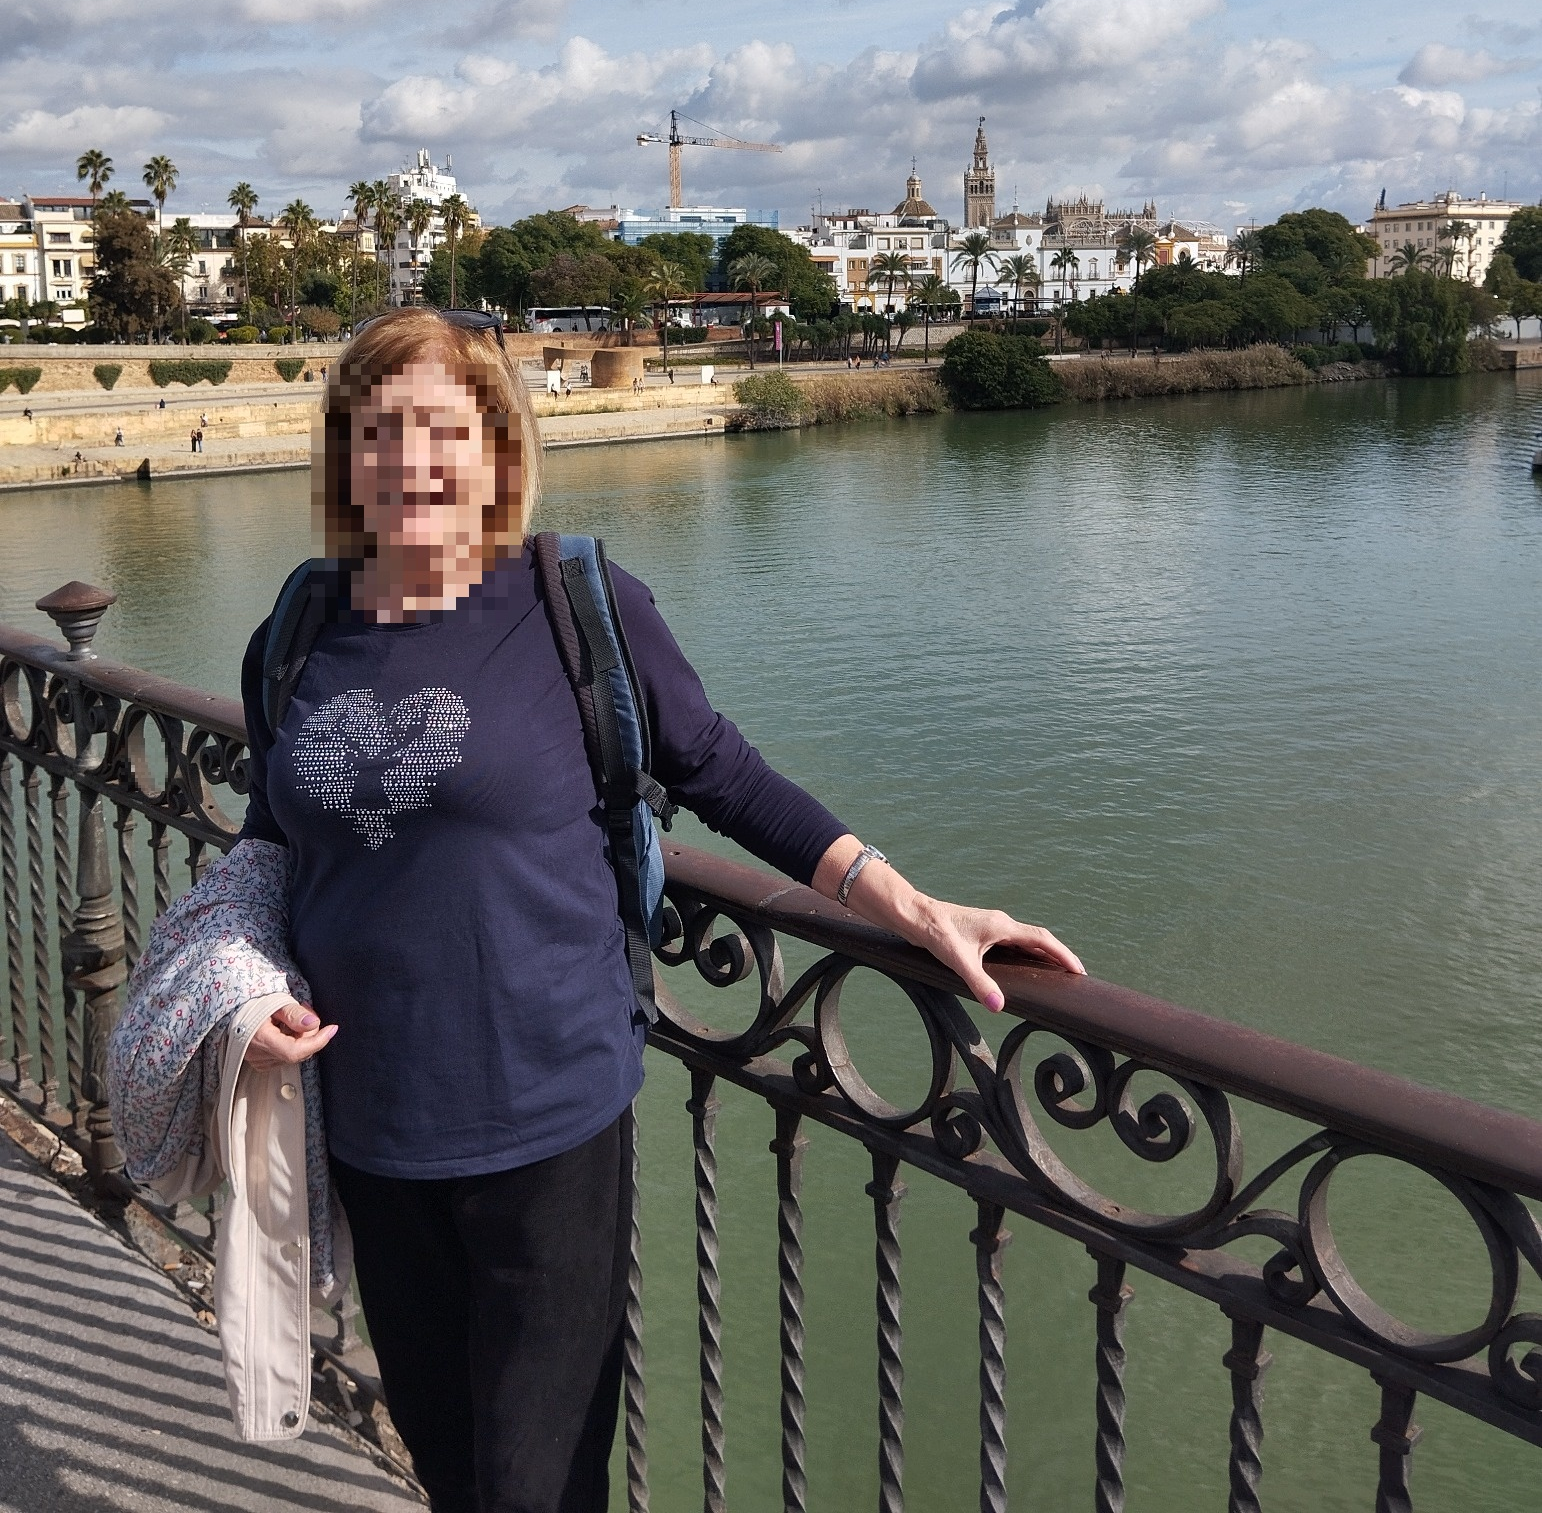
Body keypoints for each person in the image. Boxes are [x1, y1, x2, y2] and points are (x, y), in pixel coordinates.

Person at [235, 307, 1082, 1513]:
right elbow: (273, 844)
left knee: (539, 1483)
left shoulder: (576, 603)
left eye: (441, 429)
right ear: (343, 454)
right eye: (378, 430)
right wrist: (244, 985)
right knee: (449, 1463)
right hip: (371, 1125)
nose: (409, 460)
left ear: (495, 451)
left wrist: (909, 900)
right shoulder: (300, 631)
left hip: (550, 1118)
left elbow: (722, 772)